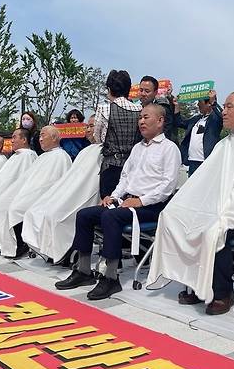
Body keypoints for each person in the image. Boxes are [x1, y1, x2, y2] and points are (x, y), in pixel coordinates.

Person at [146, 92, 234, 315]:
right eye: (223, 106)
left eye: (229, 107)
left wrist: (225, 215)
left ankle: (223, 292)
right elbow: (203, 183)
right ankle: (196, 283)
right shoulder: (223, 145)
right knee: (176, 218)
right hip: (225, 208)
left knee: (215, 229)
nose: (223, 111)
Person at [55, 104, 181, 299]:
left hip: (152, 206)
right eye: (140, 117)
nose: (141, 121)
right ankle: (83, 270)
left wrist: (141, 201)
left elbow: (168, 186)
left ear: (160, 121)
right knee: (85, 215)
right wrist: (113, 196)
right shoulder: (137, 148)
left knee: (111, 217)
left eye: (146, 117)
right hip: (127, 201)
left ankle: (111, 277)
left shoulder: (169, 148)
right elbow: (125, 178)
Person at [0, 126, 71, 258]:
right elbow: (28, 178)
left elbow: (54, 182)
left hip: (46, 196)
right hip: (31, 192)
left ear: (55, 138)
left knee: (16, 209)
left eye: (43, 135)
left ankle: (22, 245)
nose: (40, 139)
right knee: (5, 206)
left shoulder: (61, 157)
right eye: (39, 136)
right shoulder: (43, 156)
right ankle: (12, 243)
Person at [22, 116, 103, 265]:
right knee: (38, 211)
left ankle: (64, 255)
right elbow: (69, 181)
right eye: (87, 127)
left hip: (84, 196)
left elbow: (87, 184)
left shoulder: (102, 151)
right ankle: (52, 253)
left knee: (57, 216)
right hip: (68, 194)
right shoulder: (85, 151)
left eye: (92, 126)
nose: (88, 130)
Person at [94, 69, 142, 198]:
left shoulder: (104, 108)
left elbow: (97, 137)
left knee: (108, 203)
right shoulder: (140, 109)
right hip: (134, 165)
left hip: (111, 165)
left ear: (109, 89)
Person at [174, 89, 223, 176]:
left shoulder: (215, 120)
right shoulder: (195, 119)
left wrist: (214, 102)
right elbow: (179, 123)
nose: (197, 104)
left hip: (207, 162)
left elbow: (222, 116)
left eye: (200, 102)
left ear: (208, 103)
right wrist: (176, 107)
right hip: (192, 162)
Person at [138, 75, 176, 141]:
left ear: (155, 92)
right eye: (141, 90)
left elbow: (167, 133)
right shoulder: (137, 108)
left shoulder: (162, 108)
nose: (143, 94)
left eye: (147, 91)